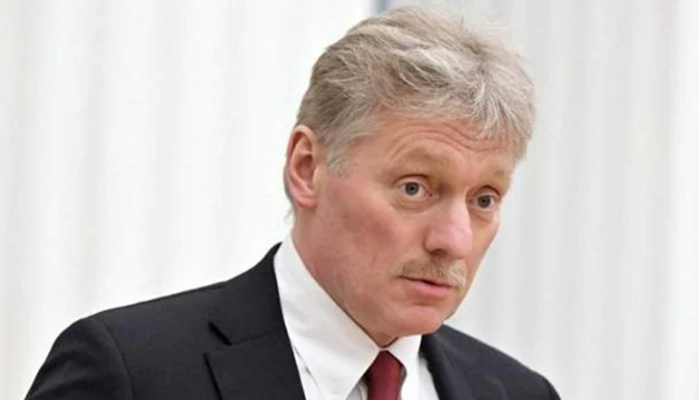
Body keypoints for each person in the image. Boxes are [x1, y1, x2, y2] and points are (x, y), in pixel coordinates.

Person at [26, 5, 560, 400]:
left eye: (484, 199)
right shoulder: (130, 375)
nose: (455, 240)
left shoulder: (521, 394)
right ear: (307, 168)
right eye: (414, 188)